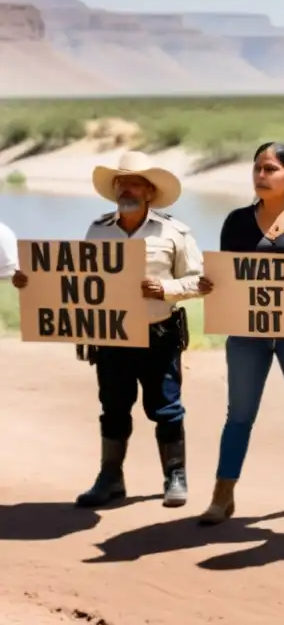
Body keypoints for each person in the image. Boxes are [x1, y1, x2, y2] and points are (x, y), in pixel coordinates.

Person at [11, 151, 204, 509]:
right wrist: (32, 281)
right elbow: (78, 282)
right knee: (113, 407)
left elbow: (200, 281)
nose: (126, 189)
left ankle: (175, 475)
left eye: (134, 183)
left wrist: (167, 290)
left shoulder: (174, 232)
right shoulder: (97, 229)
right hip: (111, 336)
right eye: (121, 183)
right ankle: (110, 478)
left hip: (158, 333)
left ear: (149, 192)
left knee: (166, 408)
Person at [196, 141, 284, 525]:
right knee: (239, 415)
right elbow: (228, 277)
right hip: (248, 334)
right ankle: (222, 494)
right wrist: (214, 287)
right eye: (258, 169)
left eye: (271, 169)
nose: (262, 176)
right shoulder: (236, 222)